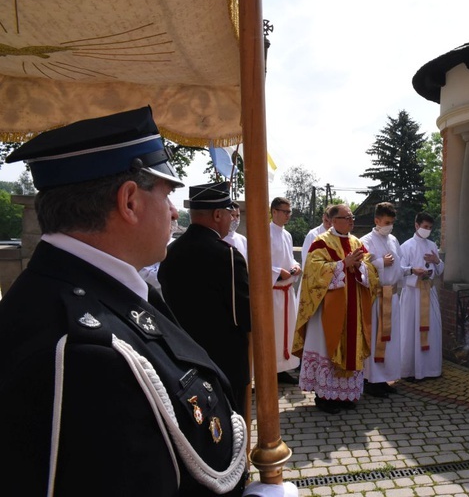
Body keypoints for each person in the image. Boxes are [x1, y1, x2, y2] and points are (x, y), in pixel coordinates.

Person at [0, 106, 248, 496]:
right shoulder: (84, 351)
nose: (172, 210)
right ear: (129, 201)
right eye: (167, 193)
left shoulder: (84, 290)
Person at [159, 181, 252, 415]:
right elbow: (242, 315)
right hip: (224, 360)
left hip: (182, 357)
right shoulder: (227, 255)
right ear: (218, 214)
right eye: (230, 214)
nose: (233, 219)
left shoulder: (170, 250)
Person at [292, 204, 380, 414]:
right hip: (328, 311)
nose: (352, 221)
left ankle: (345, 394)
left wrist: (360, 267)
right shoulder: (320, 243)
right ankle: (324, 396)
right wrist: (342, 264)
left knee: (351, 345)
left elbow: (371, 271)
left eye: (352, 217)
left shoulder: (356, 242)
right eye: (347, 217)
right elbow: (313, 273)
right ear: (333, 220)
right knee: (325, 346)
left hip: (353, 308)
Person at [360, 202, 404, 398]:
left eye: (392, 222)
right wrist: (380, 263)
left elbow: (400, 266)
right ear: (377, 220)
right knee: (377, 337)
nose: (390, 226)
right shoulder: (366, 241)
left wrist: (410, 271)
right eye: (387, 222)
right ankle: (371, 380)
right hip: (377, 298)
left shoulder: (393, 239)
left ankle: (385, 377)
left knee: (390, 339)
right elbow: (361, 266)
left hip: (392, 296)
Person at [399, 212, 444, 381]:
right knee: (411, 330)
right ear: (416, 225)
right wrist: (414, 271)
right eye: (425, 227)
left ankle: (430, 369)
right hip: (413, 294)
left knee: (431, 329)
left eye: (430, 228)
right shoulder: (406, 246)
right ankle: (410, 370)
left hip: (428, 292)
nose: (428, 230)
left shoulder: (432, 245)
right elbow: (400, 270)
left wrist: (436, 260)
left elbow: (439, 271)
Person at [269, 197, 302, 384]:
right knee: (275, 332)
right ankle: (272, 369)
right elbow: (258, 261)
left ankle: (283, 368)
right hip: (273, 291)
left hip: (287, 290)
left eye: (290, 212)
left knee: (287, 332)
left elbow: (290, 258)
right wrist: (276, 272)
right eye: (285, 211)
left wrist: (295, 266)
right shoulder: (264, 232)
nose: (288, 215)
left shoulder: (287, 235)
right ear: (274, 211)